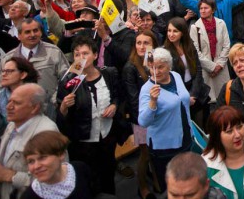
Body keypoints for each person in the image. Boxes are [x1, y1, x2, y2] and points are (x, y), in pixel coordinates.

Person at [56, 36, 120, 195]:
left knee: (107, 174)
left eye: (85, 54)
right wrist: (64, 106)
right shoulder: (69, 82)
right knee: (88, 179)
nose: (81, 58)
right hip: (83, 142)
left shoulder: (109, 74)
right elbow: (61, 118)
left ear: (95, 55)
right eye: (77, 54)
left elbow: (117, 96)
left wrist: (114, 106)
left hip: (106, 136)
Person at [0, 84, 59, 199]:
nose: (8, 107)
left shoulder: (47, 132)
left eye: (17, 103)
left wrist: (9, 176)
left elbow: (53, 181)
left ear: (35, 107)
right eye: (9, 102)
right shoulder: (11, 125)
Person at [139, 47, 192, 193]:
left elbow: (180, 97)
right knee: (172, 185)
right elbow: (143, 121)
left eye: (160, 67)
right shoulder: (146, 89)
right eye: (152, 67)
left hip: (185, 136)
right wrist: (152, 103)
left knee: (187, 179)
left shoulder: (176, 76)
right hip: (165, 146)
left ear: (169, 66)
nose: (156, 71)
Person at [0, 18, 69, 119]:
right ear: (19, 36)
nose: (32, 35)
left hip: (50, 110)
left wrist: (54, 101)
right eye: (27, 32)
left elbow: (66, 80)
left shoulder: (54, 52)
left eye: (35, 30)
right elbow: (0, 87)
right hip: (19, 114)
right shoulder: (8, 58)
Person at [123, 29, 159, 199]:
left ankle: (158, 181)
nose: (142, 46)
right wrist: (144, 120)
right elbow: (133, 99)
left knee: (157, 151)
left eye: (146, 43)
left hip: (159, 116)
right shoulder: (130, 67)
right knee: (145, 154)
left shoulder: (156, 63)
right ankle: (143, 187)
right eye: (139, 42)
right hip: (141, 119)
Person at [20, 131, 92, 199]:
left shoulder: (79, 170)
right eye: (31, 161)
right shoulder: (30, 196)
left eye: (42, 158)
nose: (36, 166)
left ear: (61, 154)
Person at [164, 17, 209, 125]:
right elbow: (170, 79)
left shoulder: (189, 46)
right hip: (179, 92)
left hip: (195, 90)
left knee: (201, 125)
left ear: (183, 33)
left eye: (175, 31)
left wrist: (193, 94)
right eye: (169, 31)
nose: (171, 34)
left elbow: (198, 70)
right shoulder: (165, 52)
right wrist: (185, 98)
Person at [189, 0, 231, 103]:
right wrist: (212, 67)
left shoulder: (221, 23)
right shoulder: (195, 28)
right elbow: (195, 51)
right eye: (201, 8)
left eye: (206, 8)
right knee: (209, 101)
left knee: (224, 98)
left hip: (221, 67)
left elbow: (226, 45)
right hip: (205, 69)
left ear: (212, 10)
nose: (203, 10)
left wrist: (219, 65)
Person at [0, 57, 39, 122]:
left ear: (23, 75)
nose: (3, 74)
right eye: (3, 71)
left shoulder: (39, 97)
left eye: (9, 71)